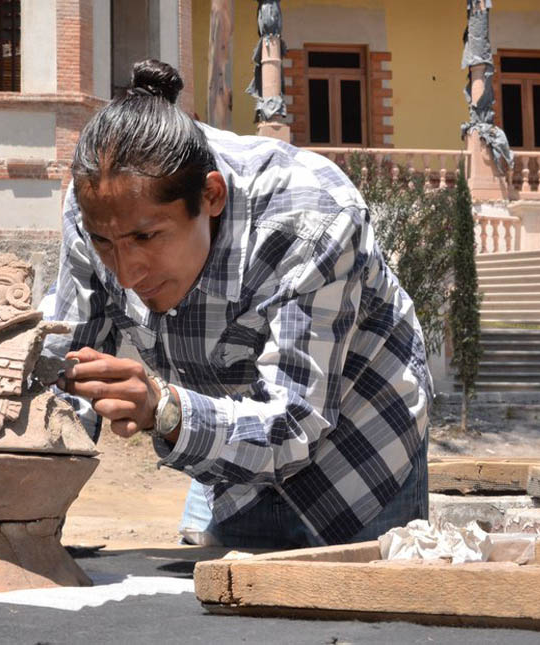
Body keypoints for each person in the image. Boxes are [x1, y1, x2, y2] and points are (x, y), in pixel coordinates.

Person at [40, 59, 430, 549]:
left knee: (362, 617)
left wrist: (166, 410)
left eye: (147, 237)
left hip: (361, 457)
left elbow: (293, 424)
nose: (126, 272)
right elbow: (65, 366)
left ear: (212, 196)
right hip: (229, 462)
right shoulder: (97, 204)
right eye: (105, 244)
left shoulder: (312, 218)